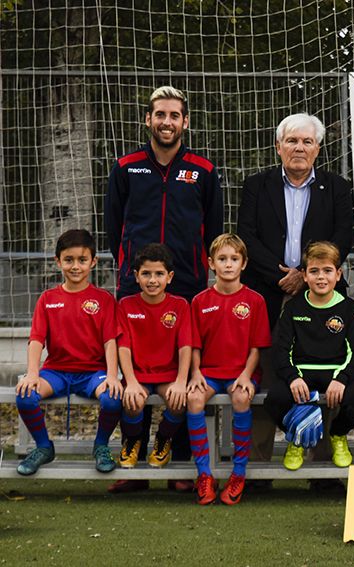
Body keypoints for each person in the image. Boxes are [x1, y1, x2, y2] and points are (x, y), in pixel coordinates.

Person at [105, 85, 223, 494]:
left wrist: (198, 270)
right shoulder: (126, 167)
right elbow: (113, 227)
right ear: (148, 119)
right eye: (160, 115)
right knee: (132, 369)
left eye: (174, 115)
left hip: (188, 285)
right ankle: (130, 457)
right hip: (135, 285)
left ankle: (179, 460)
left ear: (185, 122)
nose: (167, 122)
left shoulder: (204, 171)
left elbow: (214, 229)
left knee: (183, 374)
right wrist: (128, 271)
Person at [237, 112, 354, 488]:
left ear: (318, 148)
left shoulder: (338, 188)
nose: (299, 148)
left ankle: (322, 472)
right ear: (278, 147)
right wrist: (281, 276)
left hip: (320, 293)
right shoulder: (256, 185)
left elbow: (343, 238)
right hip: (267, 295)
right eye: (292, 141)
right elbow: (247, 238)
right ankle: (259, 469)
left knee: (324, 370)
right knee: (269, 375)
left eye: (306, 141)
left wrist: (305, 274)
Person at [15, 229, 123, 475]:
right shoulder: (47, 299)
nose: (76, 266)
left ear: (93, 262)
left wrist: (113, 375)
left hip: (92, 373)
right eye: (69, 260)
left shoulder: (104, 299)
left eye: (82, 260)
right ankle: (44, 447)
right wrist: (32, 373)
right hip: (56, 372)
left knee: (113, 397)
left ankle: (101, 445)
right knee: (24, 394)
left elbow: (110, 342)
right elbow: (36, 340)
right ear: (58, 261)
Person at [265, 241, 354, 471]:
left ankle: (338, 435)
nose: (321, 277)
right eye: (314, 271)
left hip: (335, 372)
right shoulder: (293, 309)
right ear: (303, 275)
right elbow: (281, 351)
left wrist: (342, 379)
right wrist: (292, 377)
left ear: (338, 274)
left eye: (327, 271)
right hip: (302, 373)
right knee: (274, 399)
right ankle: (298, 435)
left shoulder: (349, 309)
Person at [186, 234, 272, 505]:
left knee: (241, 397)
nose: (228, 265)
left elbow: (257, 347)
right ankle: (204, 474)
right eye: (222, 259)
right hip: (209, 372)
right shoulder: (200, 301)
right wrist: (196, 372)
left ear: (243, 264)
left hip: (242, 371)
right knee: (194, 398)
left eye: (234, 259)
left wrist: (246, 375)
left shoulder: (255, 300)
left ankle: (238, 472)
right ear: (211, 263)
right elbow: (194, 345)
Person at [116, 244, 191, 469]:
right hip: (137, 374)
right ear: (136, 276)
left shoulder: (180, 305)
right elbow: (123, 348)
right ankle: (132, 441)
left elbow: (186, 346)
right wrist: (130, 381)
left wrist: (180, 381)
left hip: (168, 375)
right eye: (146, 274)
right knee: (132, 401)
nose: (152, 280)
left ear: (169, 277)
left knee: (178, 401)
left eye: (159, 274)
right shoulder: (126, 305)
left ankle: (163, 439)